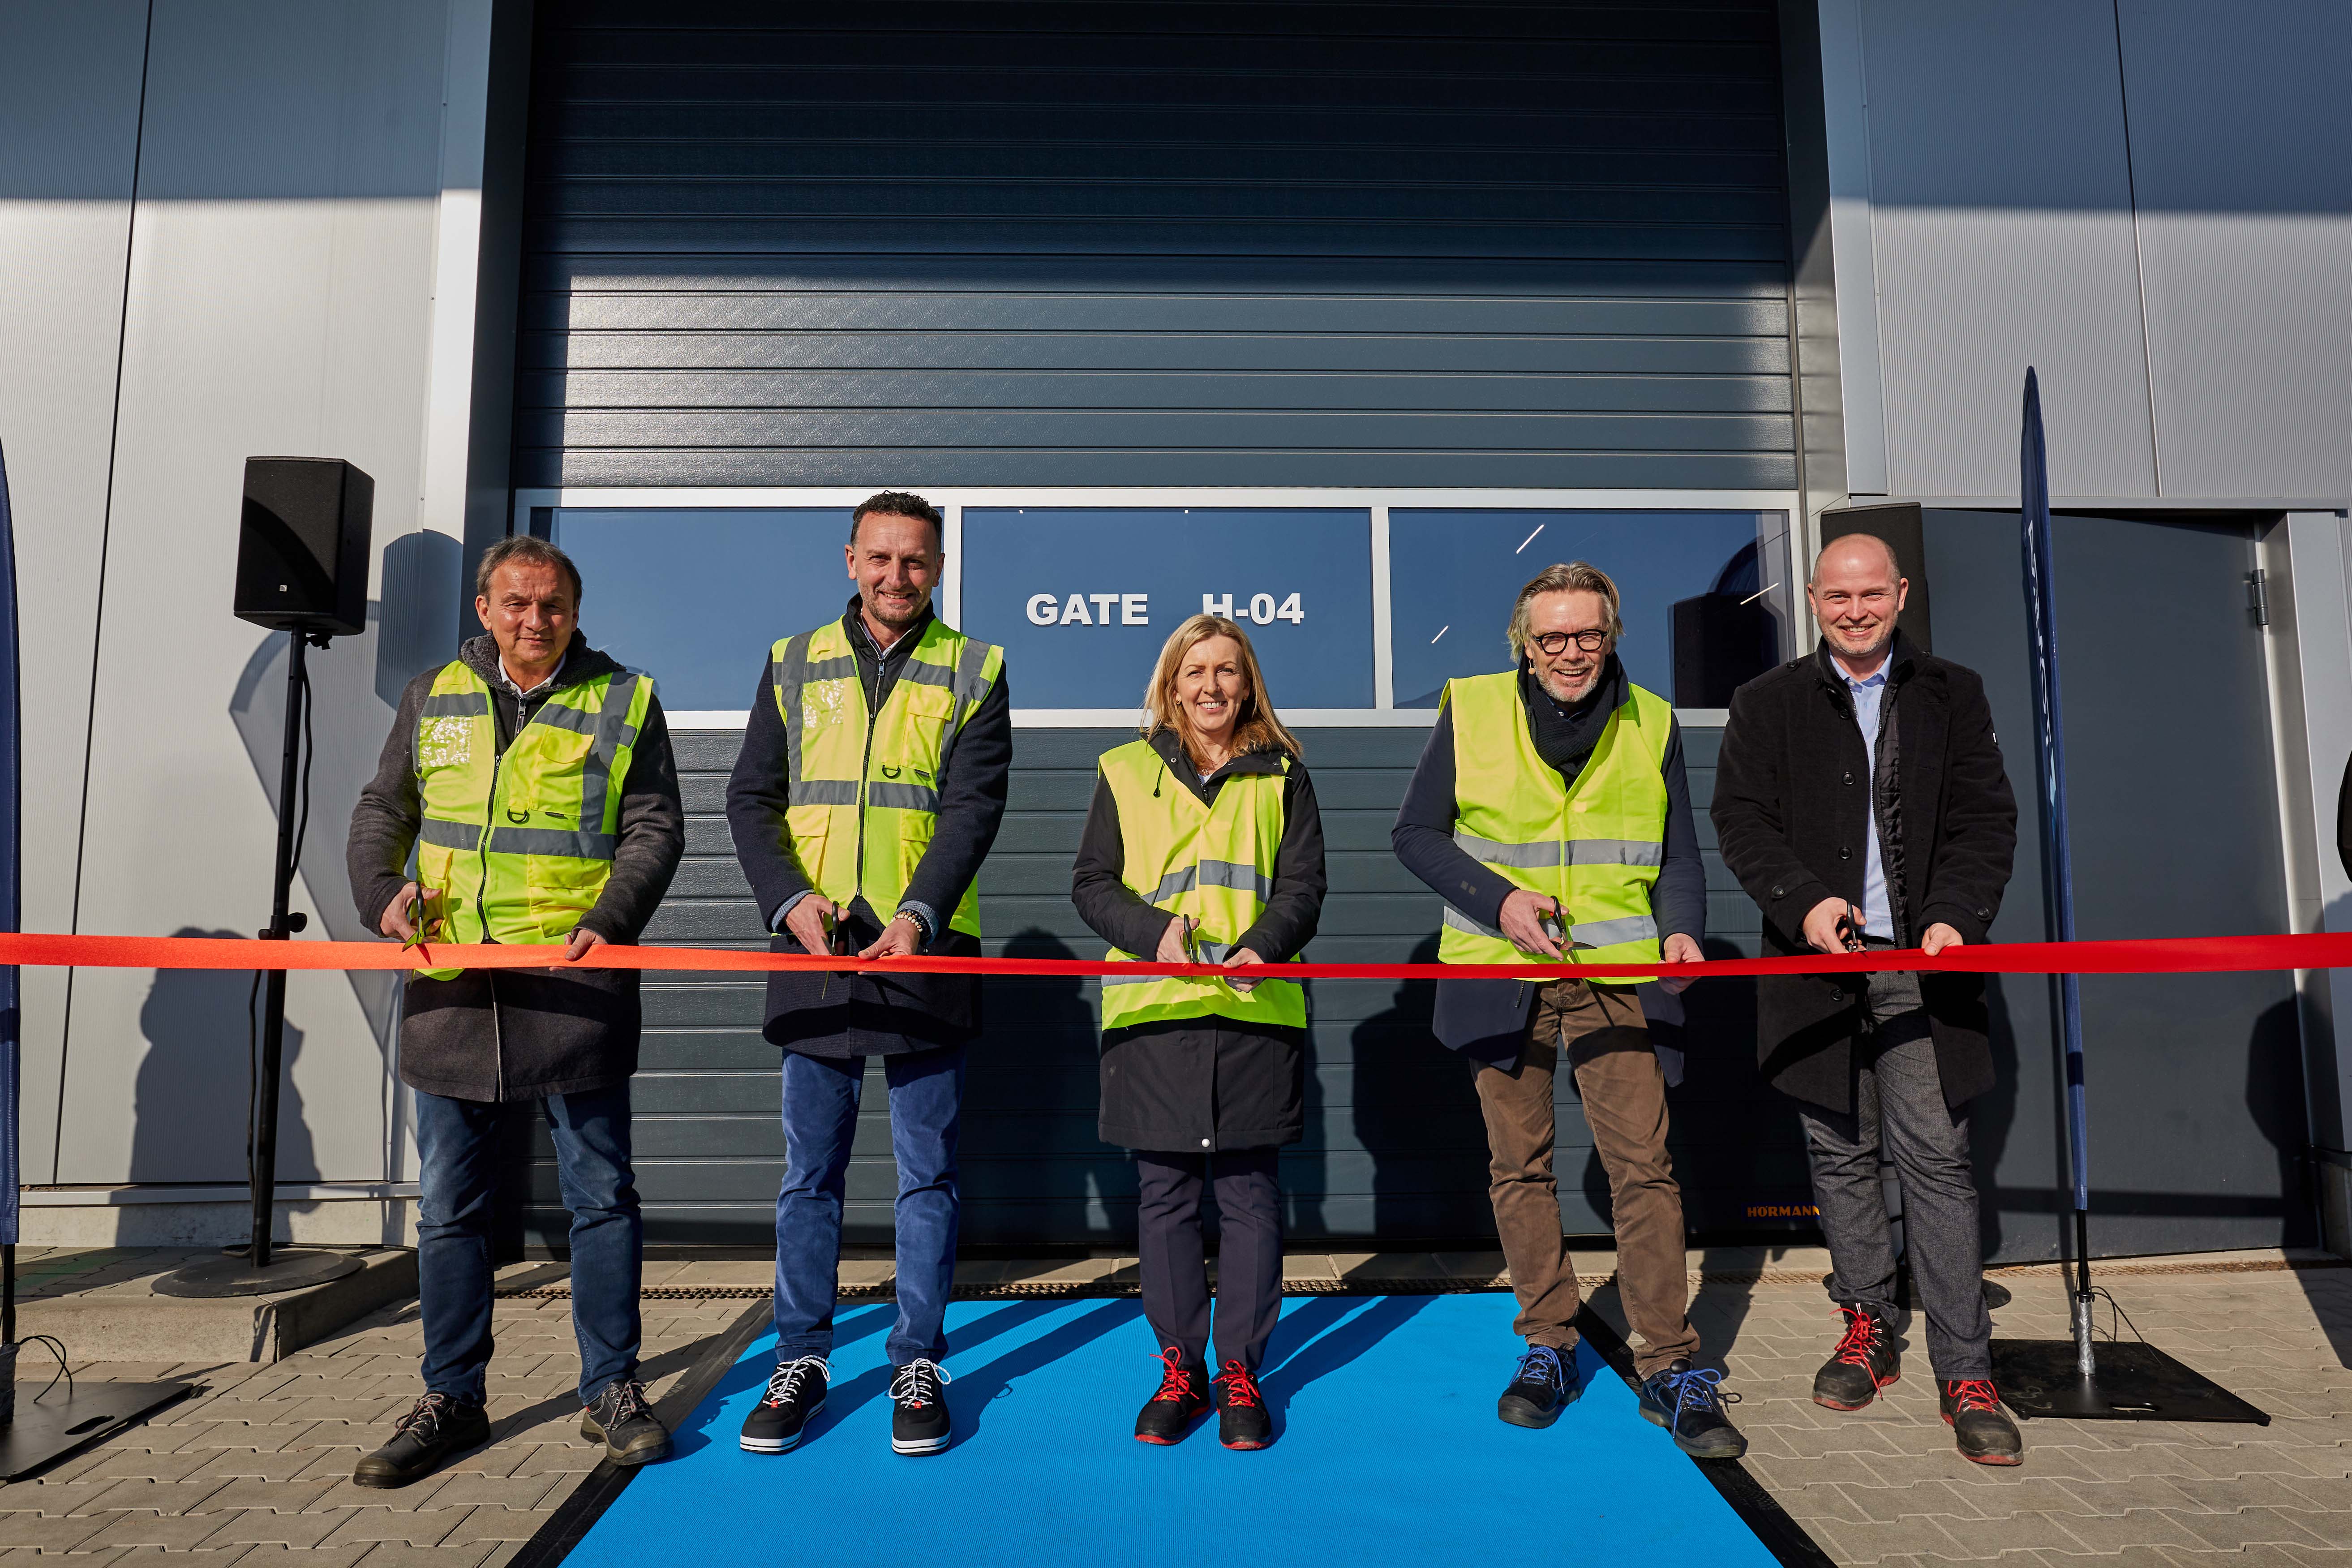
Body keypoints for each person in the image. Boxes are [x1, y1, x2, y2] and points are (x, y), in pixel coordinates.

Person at [344, 535, 685, 1486]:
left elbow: (656, 825)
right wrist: (380, 894)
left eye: (553, 605)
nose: (535, 620)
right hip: (452, 988)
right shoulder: (431, 693)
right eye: (517, 603)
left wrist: (610, 919)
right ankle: (451, 1395)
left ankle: (611, 1390)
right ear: (486, 609)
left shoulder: (625, 697)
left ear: (576, 611)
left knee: (602, 1197)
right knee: (451, 1205)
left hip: (575, 983)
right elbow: (384, 809)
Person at [1392, 562, 1739, 1457]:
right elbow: (1415, 834)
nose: (1570, 651)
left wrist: (1683, 931)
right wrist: (1499, 899)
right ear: (1523, 639)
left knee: (1644, 1169)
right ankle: (1548, 1344)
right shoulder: (1469, 707)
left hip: (1618, 974)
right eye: (1551, 636)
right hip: (1500, 968)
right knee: (1520, 1166)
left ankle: (1668, 1366)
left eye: (1586, 633)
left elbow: (1679, 856)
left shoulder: (1652, 719)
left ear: (1612, 631)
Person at [1710, 532, 2023, 1466]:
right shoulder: (1765, 703)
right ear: (1812, 599)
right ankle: (1866, 1325)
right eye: (1837, 594)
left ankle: (1966, 1368)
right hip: (1816, 965)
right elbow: (1741, 821)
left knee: (1934, 1156)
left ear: (1899, 593)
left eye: (1870, 593)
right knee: (1840, 1154)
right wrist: (1803, 902)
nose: (1854, 609)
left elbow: (1985, 817)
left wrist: (1958, 912)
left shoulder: (1951, 692)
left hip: (1924, 968)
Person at [726, 490, 1010, 1459]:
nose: (898, 577)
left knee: (927, 1172)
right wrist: (787, 900)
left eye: (916, 562)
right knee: (811, 1172)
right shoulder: (791, 660)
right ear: (850, 558)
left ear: (938, 567)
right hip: (814, 953)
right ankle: (800, 1354)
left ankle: (916, 1358)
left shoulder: (976, 667)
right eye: (881, 558)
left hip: (922, 953)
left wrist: (916, 912)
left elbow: (973, 808)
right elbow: (751, 797)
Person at [1071, 615, 1326, 1451]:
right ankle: (1180, 1369)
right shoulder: (1123, 768)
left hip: (1255, 1011)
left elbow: (1304, 886)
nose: (1211, 685)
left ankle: (1241, 1372)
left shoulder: (1285, 774)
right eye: (1195, 671)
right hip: (1155, 1012)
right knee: (1167, 1199)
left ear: (1247, 682)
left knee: (1252, 1197)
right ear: (1171, 684)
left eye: (1227, 670)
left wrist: (1266, 943)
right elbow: (1092, 883)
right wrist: (1154, 934)